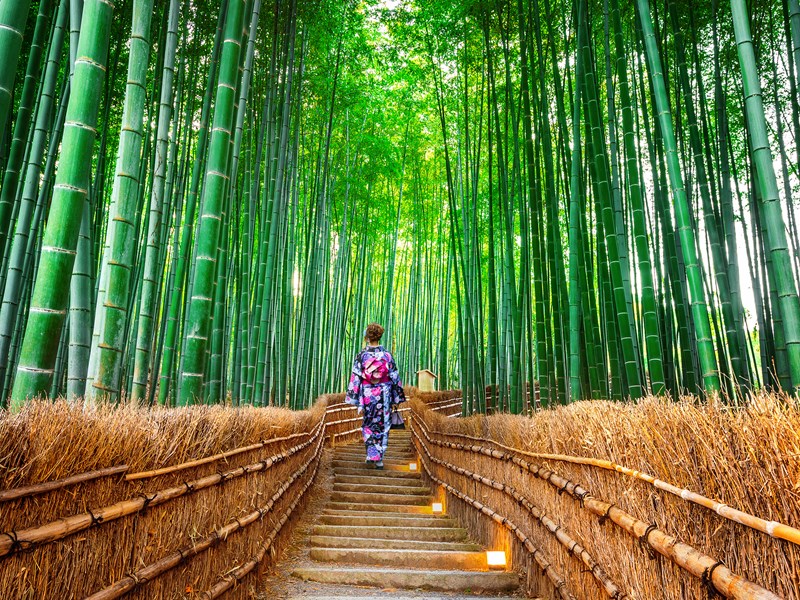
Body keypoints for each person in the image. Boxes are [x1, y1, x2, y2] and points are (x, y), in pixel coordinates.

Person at [345, 323, 405, 468]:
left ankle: (371, 453)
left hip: (367, 394)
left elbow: (356, 378)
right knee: (383, 424)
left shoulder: (362, 355)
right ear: (380, 336)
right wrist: (397, 397)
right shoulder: (387, 356)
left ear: (367, 337)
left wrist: (355, 397)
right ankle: (379, 459)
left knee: (369, 423)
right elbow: (394, 377)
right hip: (384, 394)